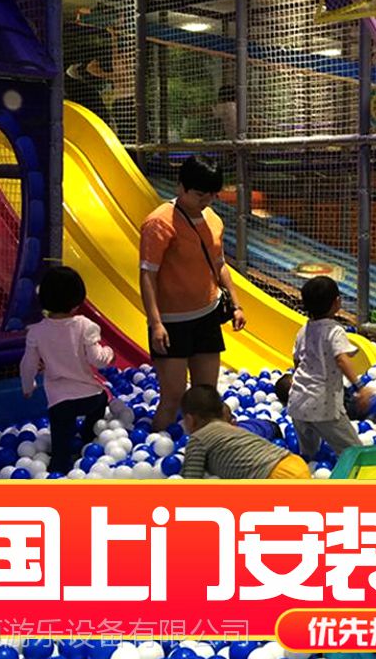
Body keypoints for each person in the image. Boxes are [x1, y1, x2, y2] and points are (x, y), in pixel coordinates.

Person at [139, 155, 246, 431]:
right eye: (199, 194)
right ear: (181, 187)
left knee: (206, 395)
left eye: (212, 195)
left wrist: (236, 305)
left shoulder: (213, 220)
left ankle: (209, 445)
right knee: (173, 396)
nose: (206, 201)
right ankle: (156, 439)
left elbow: (220, 265)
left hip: (206, 316)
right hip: (172, 322)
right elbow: (148, 275)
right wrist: (156, 323)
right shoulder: (159, 223)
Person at [19, 266, 114, 475]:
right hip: (89, 396)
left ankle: (58, 470)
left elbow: (28, 364)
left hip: (59, 401)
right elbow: (97, 360)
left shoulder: (36, 332)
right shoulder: (85, 325)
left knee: (61, 445)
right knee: (102, 400)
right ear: (76, 302)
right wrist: (109, 353)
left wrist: (28, 386)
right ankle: (89, 438)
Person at [287, 276, 375, 459]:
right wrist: (360, 387)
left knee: (309, 453)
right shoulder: (334, 330)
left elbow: (297, 361)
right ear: (337, 302)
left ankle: (309, 467)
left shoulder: (303, 330)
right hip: (323, 405)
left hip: (298, 403)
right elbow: (341, 359)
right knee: (354, 451)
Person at [181, 385, 310, 479]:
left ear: (189, 420)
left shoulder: (198, 438)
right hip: (294, 462)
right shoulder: (233, 429)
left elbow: (191, 481)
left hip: (273, 475)